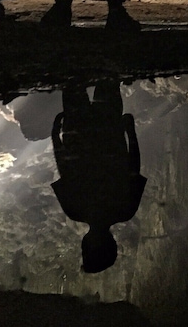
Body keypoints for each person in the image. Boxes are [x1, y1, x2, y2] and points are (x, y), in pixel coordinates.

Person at [51, 80, 147, 273]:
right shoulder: (74, 210)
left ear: (112, 244)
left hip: (108, 131)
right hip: (77, 132)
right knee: (73, 81)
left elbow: (134, 167)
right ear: (88, 245)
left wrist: (131, 132)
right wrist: (56, 139)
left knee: (107, 80)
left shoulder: (126, 210)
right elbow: (64, 167)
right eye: (85, 249)